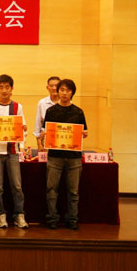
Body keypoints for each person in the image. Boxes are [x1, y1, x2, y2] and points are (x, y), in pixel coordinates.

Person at [0, 74, 29, 229]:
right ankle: (0, 215)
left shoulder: (17, 107)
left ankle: (19, 215)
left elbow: (22, 128)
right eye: (1, 87)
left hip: (12, 151)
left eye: (7, 87)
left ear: (12, 89)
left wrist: (22, 143)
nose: (4, 90)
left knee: (17, 186)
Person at [42, 79, 88, 230]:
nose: (64, 93)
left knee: (73, 191)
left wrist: (84, 133)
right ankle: (52, 218)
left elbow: (84, 131)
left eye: (68, 90)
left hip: (74, 157)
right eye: (62, 90)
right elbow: (45, 131)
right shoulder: (51, 111)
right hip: (55, 156)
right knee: (51, 189)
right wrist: (44, 135)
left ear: (72, 93)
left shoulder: (78, 112)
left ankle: (72, 219)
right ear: (58, 91)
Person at [34, 76, 61, 151]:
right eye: (51, 86)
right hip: (46, 140)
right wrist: (39, 144)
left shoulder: (67, 103)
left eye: (56, 86)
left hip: (62, 139)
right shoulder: (42, 103)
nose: (54, 88)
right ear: (47, 87)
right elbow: (38, 124)